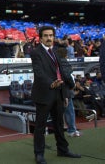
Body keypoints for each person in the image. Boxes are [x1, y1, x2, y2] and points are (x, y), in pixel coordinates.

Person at [31, 26, 81, 164]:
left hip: (58, 94)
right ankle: (39, 154)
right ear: (40, 38)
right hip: (44, 94)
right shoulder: (36, 53)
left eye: (51, 35)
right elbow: (39, 73)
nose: (49, 38)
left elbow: (62, 74)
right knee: (40, 126)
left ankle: (63, 149)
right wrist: (51, 83)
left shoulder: (55, 52)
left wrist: (67, 91)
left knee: (59, 124)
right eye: (46, 35)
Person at [55, 47, 79, 137]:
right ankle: (72, 130)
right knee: (69, 111)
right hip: (65, 90)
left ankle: (60, 132)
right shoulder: (64, 63)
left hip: (56, 90)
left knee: (58, 112)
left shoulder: (54, 63)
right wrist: (73, 86)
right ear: (65, 55)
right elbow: (68, 77)